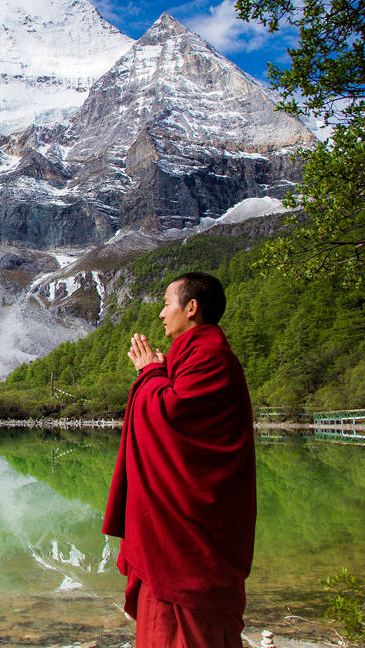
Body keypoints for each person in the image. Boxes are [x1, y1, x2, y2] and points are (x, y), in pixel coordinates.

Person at [101, 271, 256, 647]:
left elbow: (171, 416)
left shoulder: (212, 358)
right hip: (178, 533)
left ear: (191, 308)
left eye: (167, 304)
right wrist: (158, 371)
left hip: (190, 543)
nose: (160, 314)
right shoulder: (192, 358)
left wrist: (149, 372)